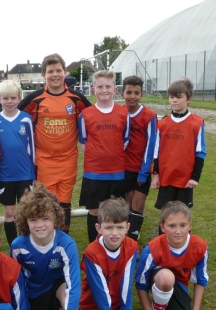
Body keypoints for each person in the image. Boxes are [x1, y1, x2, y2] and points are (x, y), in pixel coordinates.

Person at [18, 53, 92, 234]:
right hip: (44, 162)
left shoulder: (77, 98)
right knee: (46, 203)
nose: (55, 75)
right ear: (44, 74)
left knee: (65, 203)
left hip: (68, 161)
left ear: (65, 72)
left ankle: (62, 239)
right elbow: (14, 116)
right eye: (50, 71)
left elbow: (93, 117)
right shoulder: (34, 99)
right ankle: (46, 239)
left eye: (58, 70)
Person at [10, 182, 81, 310]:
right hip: (36, 291)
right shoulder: (18, 247)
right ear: (25, 221)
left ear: (55, 218)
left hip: (58, 285)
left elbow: (74, 287)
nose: (39, 225)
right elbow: (17, 286)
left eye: (45, 218)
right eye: (33, 220)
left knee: (70, 301)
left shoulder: (66, 244)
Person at [135, 201, 209, 310]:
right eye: (172, 226)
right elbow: (141, 285)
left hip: (179, 286)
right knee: (166, 278)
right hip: (159, 281)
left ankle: (165, 308)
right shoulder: (152, 249)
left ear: (190, 225)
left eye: (183, 225)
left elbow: (201, 280)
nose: (178, 231)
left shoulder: (200, 247)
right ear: (162, 227)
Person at [79, 198, 139, 310]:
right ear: (98, 228)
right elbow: (99, 290)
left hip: (117, 301)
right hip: (95, 303)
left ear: (127, 227)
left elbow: (126, 284)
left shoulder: (132, 247)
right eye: (109, 227)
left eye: (120, 227)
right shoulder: (92, 253)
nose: (115, 233)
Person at [78, 70, 130, 243]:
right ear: (94, 89)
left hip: (116, 172)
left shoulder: (123, 113)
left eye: (108, 86)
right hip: (94, 172)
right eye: (100, 87)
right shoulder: (85, 114)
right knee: (94, 211)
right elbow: (83, 141)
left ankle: (114, 245)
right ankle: (94, 247)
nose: (104, 90)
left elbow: (125, 140)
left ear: (115, 89)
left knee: (116, 212)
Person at [151, 77, 206, 233]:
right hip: (166, 178)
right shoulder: (162, 124)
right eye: (171, 97)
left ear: (189, 99)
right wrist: (156, 175)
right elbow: (156, 152)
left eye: (179, 97)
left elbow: (200, 152)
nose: (174, 100)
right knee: (166, 215)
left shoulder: (197, 123)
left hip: (185, 180)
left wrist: (195, 177)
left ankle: (184, 243)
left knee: (182, 215)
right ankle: (163, 243)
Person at [0, 80, 35, 246]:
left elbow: (32, 148)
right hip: (5, 176)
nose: (9, 101)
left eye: (13, 98)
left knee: (26, 212)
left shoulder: (26, 119)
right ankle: (13, 246)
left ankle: (27, 245)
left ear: (19, 98)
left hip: (25, 174)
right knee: (9, 212)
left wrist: (33, 174)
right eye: (6, 98)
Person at [122, 75, 158, 241]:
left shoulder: (149, 115)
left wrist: (144, 172)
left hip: (141, 168)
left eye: (136, 93)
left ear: (141, 95)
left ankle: (133, 239)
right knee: (126, 204)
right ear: (122, 94)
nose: (132, 96)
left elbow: (151, 146)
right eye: (129, 92)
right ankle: (125, 238)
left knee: (138, 204)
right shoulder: (119, 113)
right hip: (123, 168)